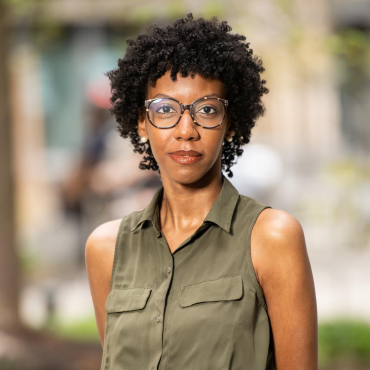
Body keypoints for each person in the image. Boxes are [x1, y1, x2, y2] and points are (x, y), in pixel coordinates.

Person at [85, 13, 318, 370]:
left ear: (229, 124)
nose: (186, 130)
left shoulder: (272, 237)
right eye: (165, 109)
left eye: (206, 110)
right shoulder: (106, 248)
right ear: (142, 124)